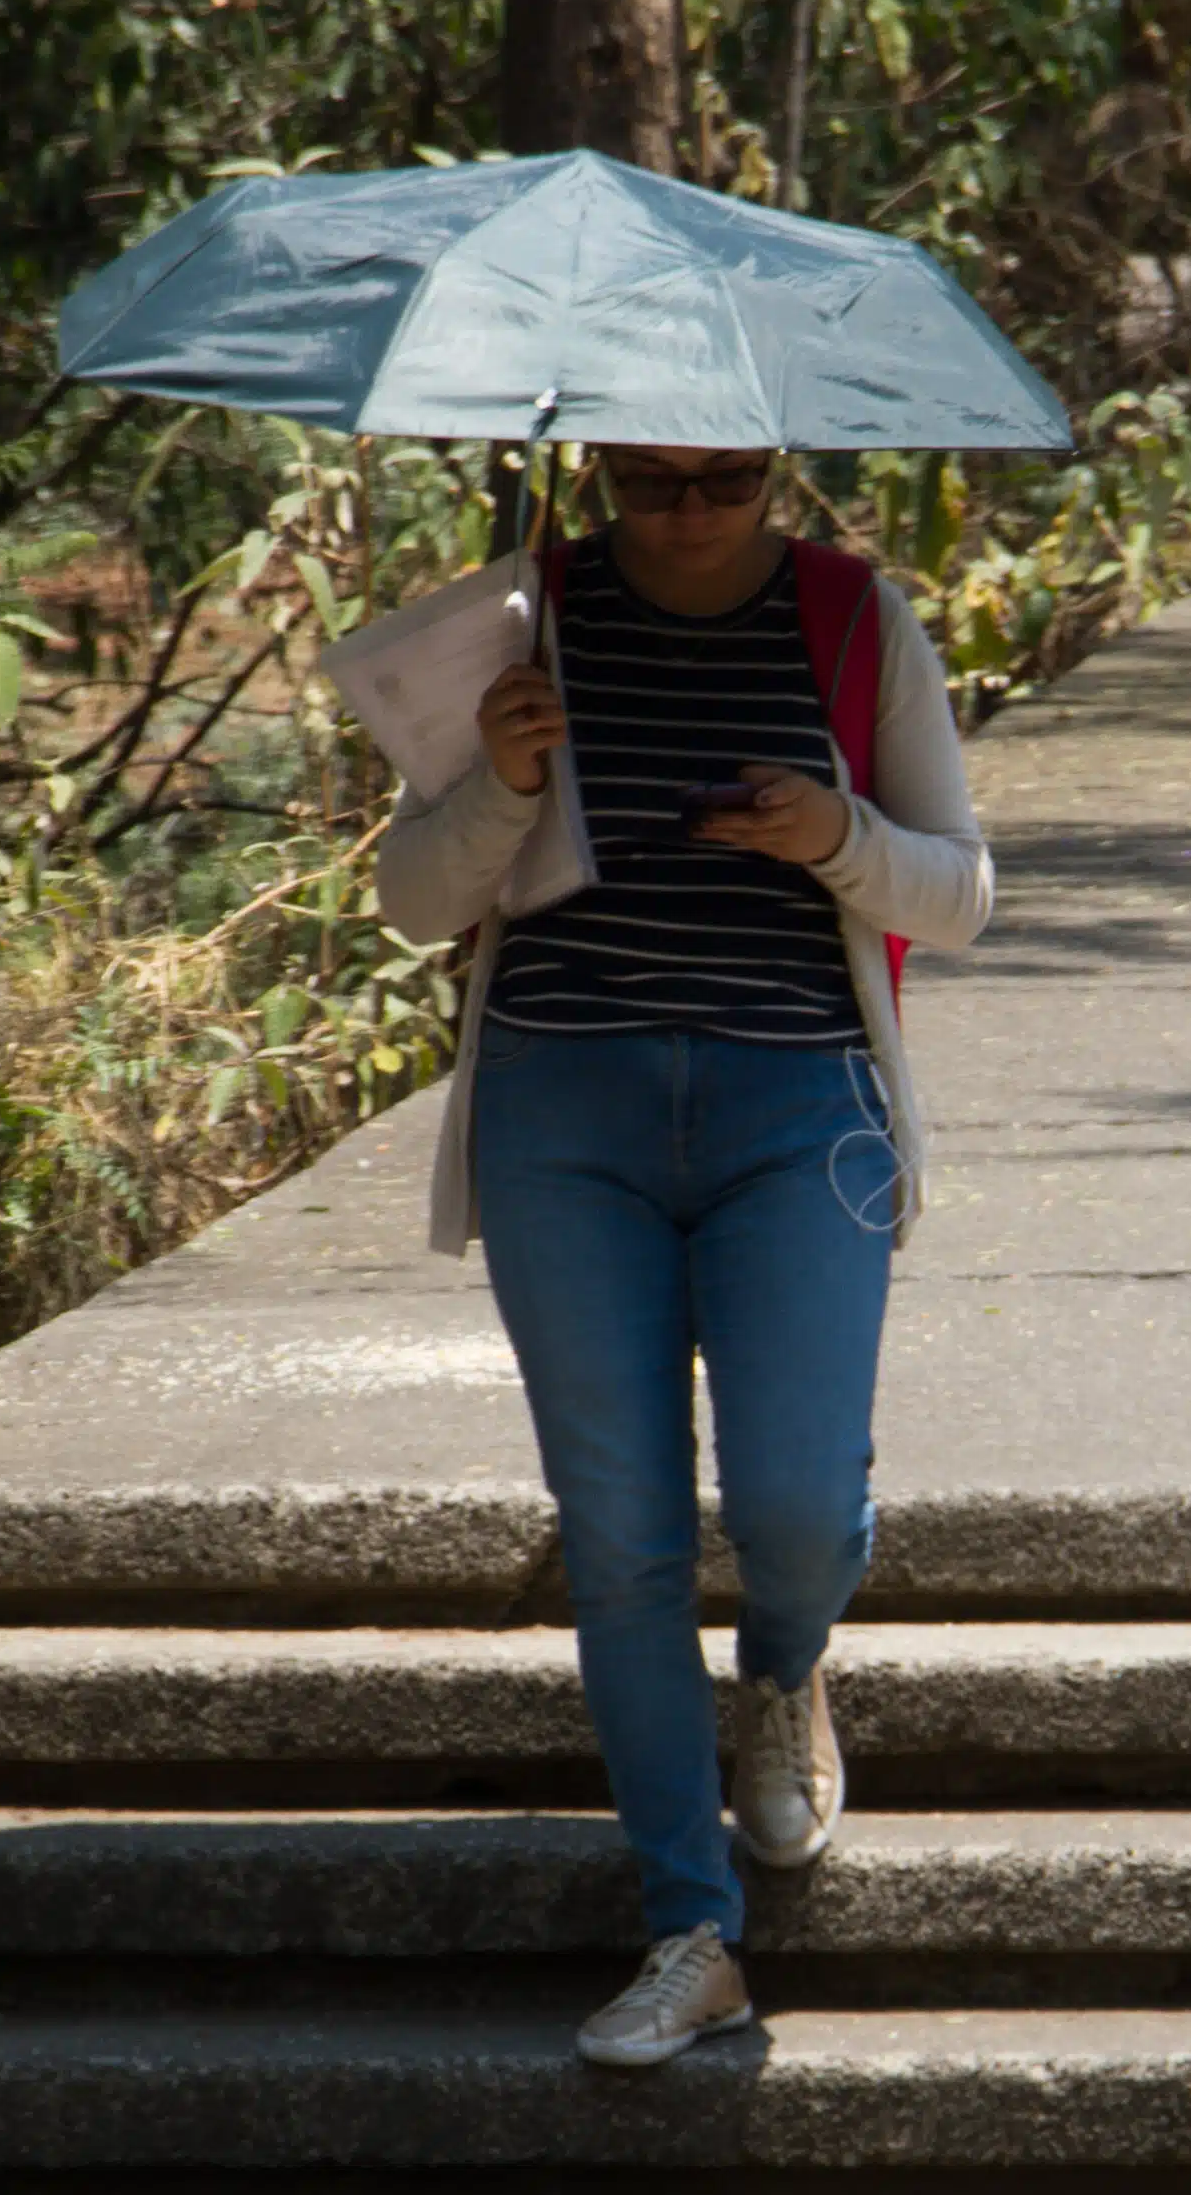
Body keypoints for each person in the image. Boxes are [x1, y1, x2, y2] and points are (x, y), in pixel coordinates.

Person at [377, 444, 991, 2068]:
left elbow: (965, 885)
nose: (689, 514)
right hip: (560, 1113)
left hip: (802, 1110)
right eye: (649, 487)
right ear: (597, 478)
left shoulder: (858, 618)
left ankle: (782, 1670)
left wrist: (831, 833)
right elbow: (407, 901)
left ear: (773, 471)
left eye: (723, 481)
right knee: (625, 1536)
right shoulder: (522, 621)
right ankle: (687, 1925)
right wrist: (498, 785)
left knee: (795, 1506)